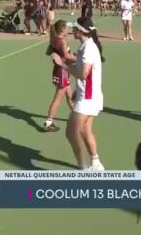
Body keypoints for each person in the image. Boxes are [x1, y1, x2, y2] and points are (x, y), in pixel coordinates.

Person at [53, 17, 105, 170]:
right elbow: (86, 75)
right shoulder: (86, 46)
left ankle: (82, 167)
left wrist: (61, 64)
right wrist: (77, 90)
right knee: (85, 131)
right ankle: (96, 163)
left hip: (88, 99)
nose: (72, 30)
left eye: (74, 28)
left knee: (71, 133)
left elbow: (83, 74)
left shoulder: (88, 48)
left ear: (80, 31)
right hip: (89, 95)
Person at [43, 20, 76, 132]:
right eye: (67, 28)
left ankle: (77, 117)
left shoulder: (54, 40)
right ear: (62, 29)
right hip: (62, 71)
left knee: (70, 96)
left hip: (61, 70)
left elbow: (52, 53)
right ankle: (49, 122)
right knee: (58, 98)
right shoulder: (62, 41)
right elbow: (66, 55)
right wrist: (79, 57)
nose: (68, 29)